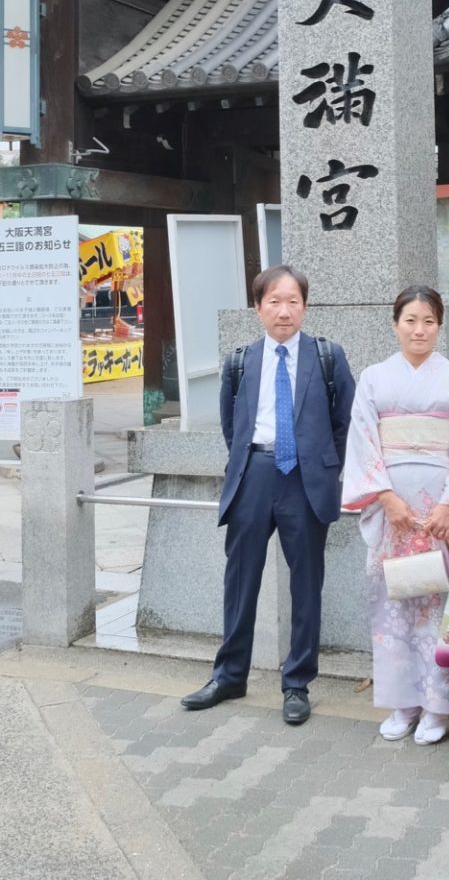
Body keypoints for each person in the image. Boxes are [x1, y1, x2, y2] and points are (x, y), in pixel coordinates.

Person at [180, 265, 355, 726]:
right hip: (254, 474)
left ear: (305, 306)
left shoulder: (327, 357)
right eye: (274, 301)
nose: (284, 310)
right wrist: (253, 459)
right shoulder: (241, 361)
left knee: (306, 585)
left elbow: (344, 423)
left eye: (293, 301)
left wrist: (321, 467)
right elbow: (229, 425)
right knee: (241, 579)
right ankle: (229, 675)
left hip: (305, 480)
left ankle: (296, 682)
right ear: (257, 308)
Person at [341, 285, 449, 745]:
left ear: (439, 326)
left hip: (439, 510)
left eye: (428, 320)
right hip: (393, 511)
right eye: (410, 319)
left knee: (441, 606)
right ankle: (402, 702)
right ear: (395, 324)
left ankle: (439, 707)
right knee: (393, 607)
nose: (419, 329)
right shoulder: (372, 378)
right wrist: (385, 498)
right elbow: (363, 440)